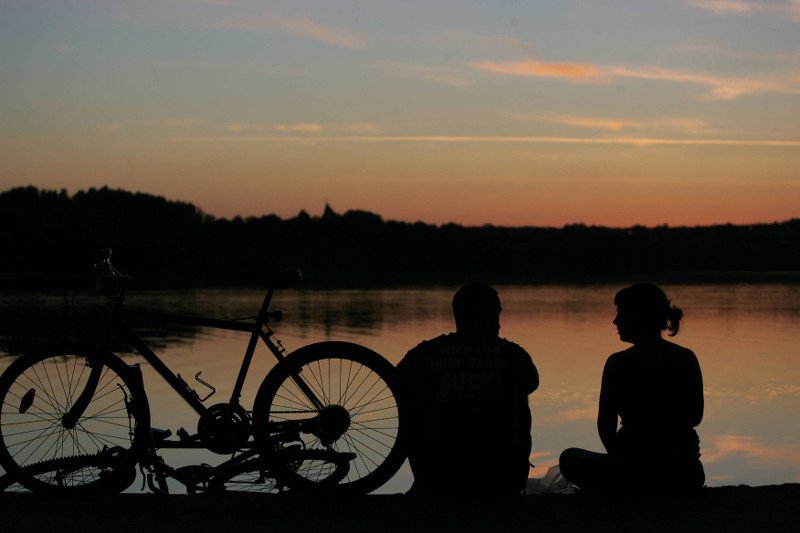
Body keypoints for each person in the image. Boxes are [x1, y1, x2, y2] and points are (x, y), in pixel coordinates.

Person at [559, 282, 705, 500]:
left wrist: (624, 461)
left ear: (639, 317)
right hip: (687, 472)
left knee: (569, 458)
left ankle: (624, 485)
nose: (615, 321)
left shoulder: (619, 363)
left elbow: (605, 426)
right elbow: (695, 416)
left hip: (634, 469)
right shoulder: (686, 357)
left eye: (621, 314)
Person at [396, 282, 539, 499]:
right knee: (519, 396)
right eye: (497, 314)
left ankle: (428, 480)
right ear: (489, 315)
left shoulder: (424, 354)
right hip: (505, 480)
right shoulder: (514, 355)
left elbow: (393, 384)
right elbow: (531, 384)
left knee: (409, 399)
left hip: (437, 478)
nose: (500, 324)